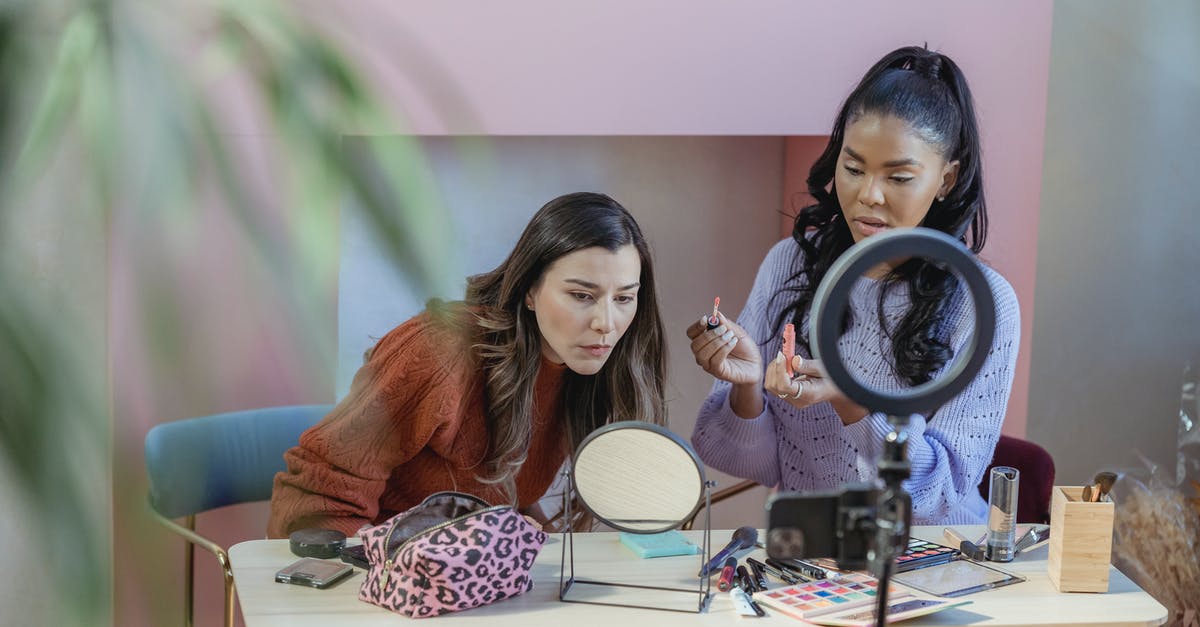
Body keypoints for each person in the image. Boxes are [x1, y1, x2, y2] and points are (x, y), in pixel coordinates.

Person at [687, 46, 1019, 525]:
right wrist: (746, 388)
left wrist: (851, 402)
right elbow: (752, 463)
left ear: (946, 179)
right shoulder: (790, 266)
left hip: (928, 563)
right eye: (854, 167)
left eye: (899, 176)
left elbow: (941, 496)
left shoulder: (981, 302)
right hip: (815, 561)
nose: (869, 195)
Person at [268, 192, 667, 538]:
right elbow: (318, 497)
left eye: (624, 298)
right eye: (581, 295)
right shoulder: (440, 350)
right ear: (530, 290)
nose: (606, 323)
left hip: (461, 578)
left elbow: (492, 494)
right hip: (382, 576)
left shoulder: (581, 368)